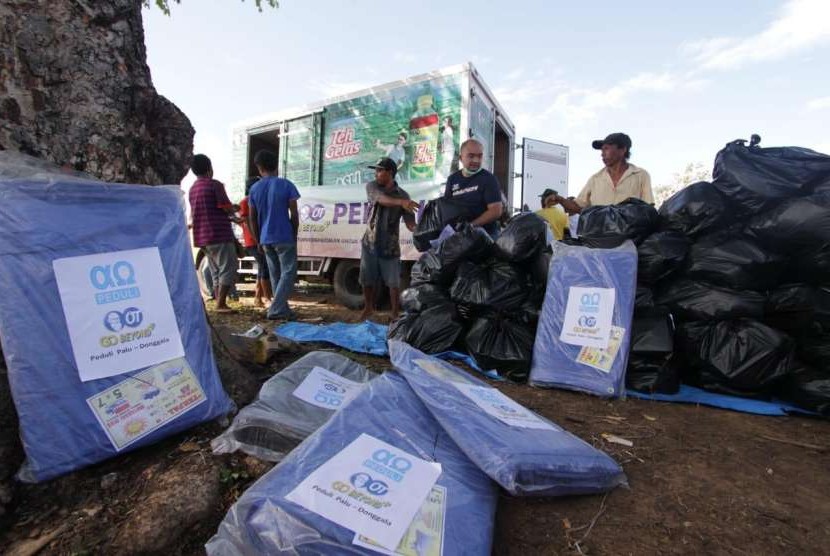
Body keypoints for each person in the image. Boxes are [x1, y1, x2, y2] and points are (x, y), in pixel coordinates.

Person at [359, 157, 418, 322]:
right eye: (376, 170)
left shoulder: (404, 195)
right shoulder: (372, 187)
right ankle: (368, 308)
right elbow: (381, 199)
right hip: (369, 242)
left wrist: (420, 229)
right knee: (366, 278)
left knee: (393, 282)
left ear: (390, 173)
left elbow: (410, 223)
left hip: (390, 245)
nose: (376, 173)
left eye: (379, 170)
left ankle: (394, 312)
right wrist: (401, 203)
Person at [247, 150, 301, 321]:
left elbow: (252, 217)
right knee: (289, 272)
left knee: (276, 275)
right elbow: (294, 214)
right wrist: (294, 234)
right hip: (284, 235)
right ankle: (276, 309)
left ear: (259, 168)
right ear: (276, 166)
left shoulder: (254, 189)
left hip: (265, 238)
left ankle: (283, 309)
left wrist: (257, 240)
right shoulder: (286, 185)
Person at [188, 154, 239, 313]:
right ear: (210, 168)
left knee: (215, 269)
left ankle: (219, 301)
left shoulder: (192, 188)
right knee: (228, 267)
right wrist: (235, 208)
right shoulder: (214, 185)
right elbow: (225, 207)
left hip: (202, 236)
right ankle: (221, 304)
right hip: (218, 233)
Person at [560, 132, 654, 214]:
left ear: (622, 150)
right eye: (602, 150)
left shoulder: (641, 175)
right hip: (599, 234)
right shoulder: (595, 179)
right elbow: (578, 205)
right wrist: (559, 199)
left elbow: (649, 209)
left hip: (632, 234)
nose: (602, 154)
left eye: (606, 149)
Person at [443, 138, 503, 238]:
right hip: (460, 235)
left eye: (479, 156)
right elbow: (446, 208)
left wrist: (471, 226)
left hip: (486, 236)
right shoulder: (452, 179)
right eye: (471, 156)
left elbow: (496, 211)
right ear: (461, 158)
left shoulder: (488, 178)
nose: (476, 160)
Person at [238, 177, 273, 308]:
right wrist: (257, 240)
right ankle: (267, 298)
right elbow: (247, 222)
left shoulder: (252, 201)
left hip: (257, 239)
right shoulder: (246, 202)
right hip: (253, 241)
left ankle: (258, 297)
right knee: (264, 266)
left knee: (262, 266)